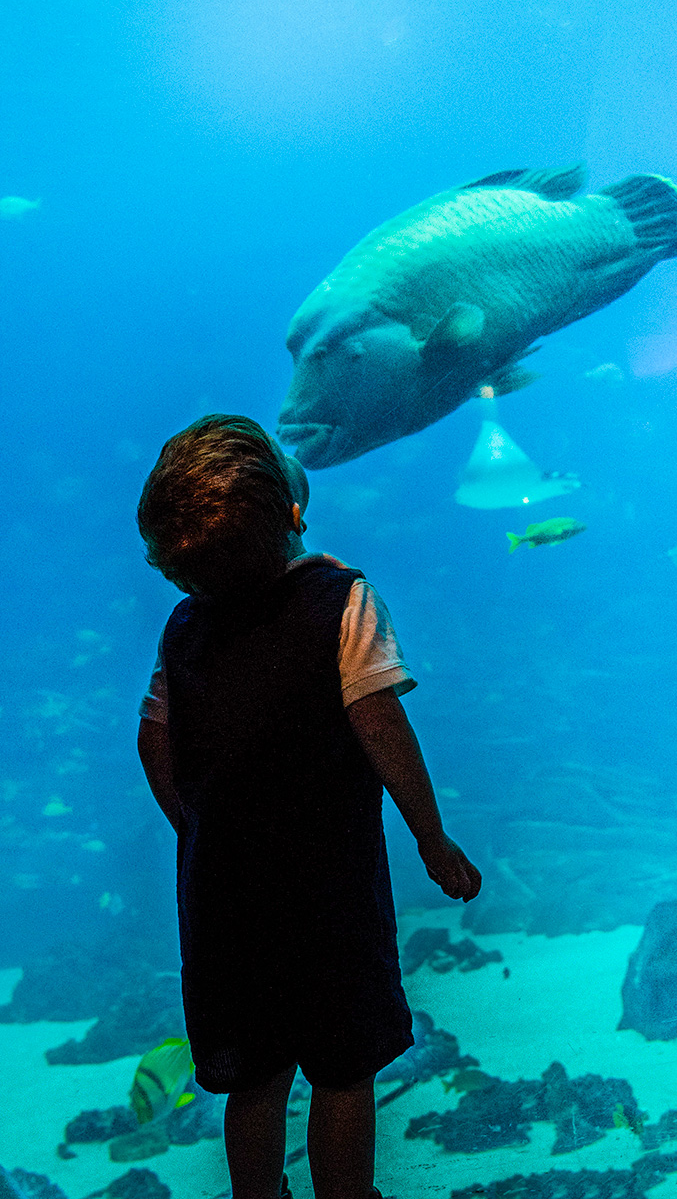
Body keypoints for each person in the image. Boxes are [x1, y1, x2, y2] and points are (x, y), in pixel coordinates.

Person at [135, 414, 480, 1199]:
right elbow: (380, 722)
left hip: (221, 901)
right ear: (294, 512)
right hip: (330, 895)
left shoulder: (184, 626)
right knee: (343, 1068)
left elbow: (153, 740)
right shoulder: (343, 601)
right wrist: (432, 837)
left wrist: (196, 828)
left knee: (255, 1075)